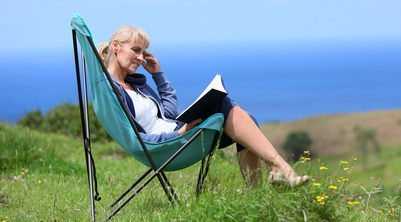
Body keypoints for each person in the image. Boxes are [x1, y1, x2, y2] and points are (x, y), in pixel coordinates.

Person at [98, 25, 309, 188]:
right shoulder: (112, 92)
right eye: (136, 50)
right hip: (166, 148)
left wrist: (158, 76)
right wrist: (180, 132)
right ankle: (281, 169)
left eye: (143, 52)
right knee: (223, 103)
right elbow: (138, 140)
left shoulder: (134, 84)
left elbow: (169, 115)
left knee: (246, 117)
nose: (140, 57)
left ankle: (259, 193)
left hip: (176, 133)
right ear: (116, 46)